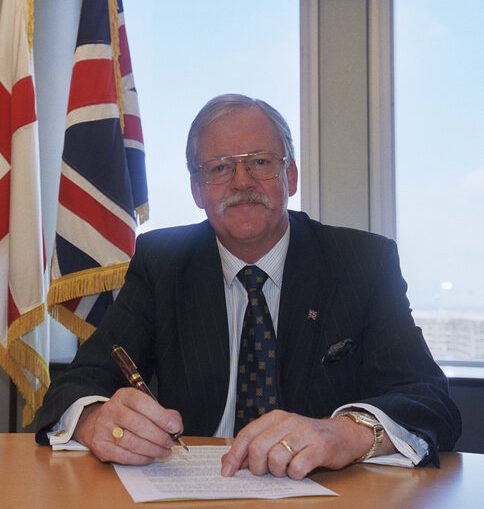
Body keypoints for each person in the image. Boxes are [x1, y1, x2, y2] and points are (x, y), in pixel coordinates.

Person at [35, 94, 461, 480]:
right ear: (197, 190)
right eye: (220, 168)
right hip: (191, 488)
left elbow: (428, 400)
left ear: (290, 177)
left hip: (330, 490)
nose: (241, 182)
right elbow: (75, 386)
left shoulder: (362, 262)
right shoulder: (162, 262)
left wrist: (344, 433)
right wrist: (97, 421)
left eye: (259, 162)